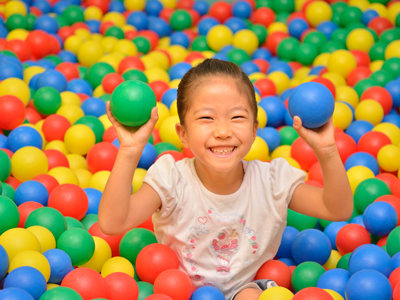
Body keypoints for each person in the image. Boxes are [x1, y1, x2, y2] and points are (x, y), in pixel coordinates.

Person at [98, 58, 353, 299]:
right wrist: (130, 151)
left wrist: (327, 150)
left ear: (255, 130)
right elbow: (112, 223)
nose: (222, 131)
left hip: (246, 288)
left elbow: (337, 209)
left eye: (237, 117)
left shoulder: (272, 182)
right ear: (183, 134)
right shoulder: (171, 180)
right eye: (206, 118)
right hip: (179, 288)